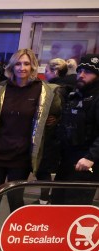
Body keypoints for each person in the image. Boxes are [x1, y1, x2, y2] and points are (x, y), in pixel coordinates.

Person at [0, 49, 61, 251]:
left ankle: (18, 236)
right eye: (18, 64)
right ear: (11, 67)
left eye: (26, 64)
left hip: (22, 154)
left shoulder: (44, 91)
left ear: (33, 66)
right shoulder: (0, 90)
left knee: (16, 198)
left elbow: (55, 117)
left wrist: (53, 123)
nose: (22, 68)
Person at [51, 53, 99, 205]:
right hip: (66, 159)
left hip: (86, 162)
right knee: (57, 203)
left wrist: (91, 157)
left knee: (75, 208)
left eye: (88, 72)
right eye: (80, 71)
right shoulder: (75, 96)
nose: (82, 75)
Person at [35, 58, 77, 204]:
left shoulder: (53, 90)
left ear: (55, 71)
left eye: (46, 70)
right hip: (60, 136)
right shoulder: (71, 88)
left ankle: (43, 199)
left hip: (48, 135)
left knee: (43, 169)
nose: (44, 74)